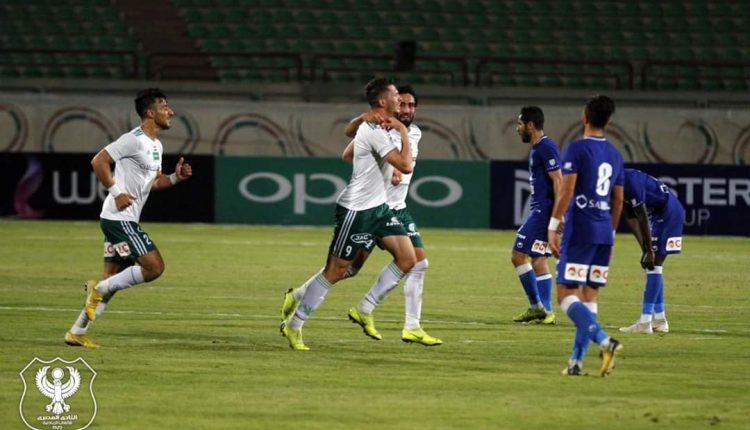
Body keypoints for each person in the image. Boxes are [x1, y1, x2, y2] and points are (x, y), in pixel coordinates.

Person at [279, 78, 416, 351]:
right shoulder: (377, 130)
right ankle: (295, 324)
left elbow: (349, 141)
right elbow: (406, 165)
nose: (399, 98)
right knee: (337, 271)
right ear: (382, 101)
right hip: (357, 210)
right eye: (394, 95)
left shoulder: (379, 125)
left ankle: (362, 307)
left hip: (379, 209)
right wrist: (401, 132)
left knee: (407, 258)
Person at [64, 88, 192, 348]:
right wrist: (117, 192)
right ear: (150, 113)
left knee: (113, 280)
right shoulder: (132, 139)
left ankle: (77, 332)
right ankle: (97, 289)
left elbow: (154, 182)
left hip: (120, 219)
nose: (171, 111)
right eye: (164, 106)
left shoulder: (156, 145)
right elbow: (98, 161)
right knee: (154, 268)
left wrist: (176, 177)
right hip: (119, 219)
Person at [339, 85, 442, 346]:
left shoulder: (414, 132)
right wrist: (386, 167)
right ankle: (302, 297)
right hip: (377, 208)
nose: (407, 109)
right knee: (346, 269)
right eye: (402, 104)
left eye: (411, 105)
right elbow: (348, 154)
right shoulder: (381, 128)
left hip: (397, 208)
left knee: (417, 263)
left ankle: (410, 326)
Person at [548, 95, 624, 377]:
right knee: (589, 296)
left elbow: (567, 190)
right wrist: (611, 235)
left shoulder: (577, 148)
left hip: (581, 229)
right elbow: (618, 201)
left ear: (585, 117)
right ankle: (576, 362)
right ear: (608, 121)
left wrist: (553, 225)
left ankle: (605, 340)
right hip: (604, 232)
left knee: (565, 295)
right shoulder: (615, 154)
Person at [510, 106, 562, 325]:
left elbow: (559, 180)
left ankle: (536, 307)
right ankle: (546, 312)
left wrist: (559, 215)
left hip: (543, 212)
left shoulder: (546, 147)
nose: (517, 128)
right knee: (538, 258)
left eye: (520, 124)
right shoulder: (538, 148)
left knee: (517, 255)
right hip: (542, 210)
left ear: (530, 125)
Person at [619, 168, 684, 334]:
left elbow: (641, 216)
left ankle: (645, 322)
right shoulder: (615, 185)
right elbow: (630, 217)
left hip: (668, 211)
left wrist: (649, 250)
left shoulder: (630, 182)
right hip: (660, 212)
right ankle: (660, 320)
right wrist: (645, 248)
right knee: (653, 266)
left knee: (654, 265)